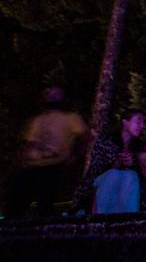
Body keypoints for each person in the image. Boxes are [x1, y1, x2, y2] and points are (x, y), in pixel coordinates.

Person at [3, 86, 87, 218]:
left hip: (54, 165)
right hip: (31, 165)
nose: (52, 96)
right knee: (18, 200)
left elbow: (84, 137)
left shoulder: (71, 118)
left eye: (56, 94)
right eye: (49, 93)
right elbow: (29, 142)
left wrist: (75, 156)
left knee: (45, 200)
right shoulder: (38, 120)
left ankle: (41, 230)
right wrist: (22, 159)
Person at [77, 108, 146, 214]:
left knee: (131, 175)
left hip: (127, 186)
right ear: (125, 122)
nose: (142, 126)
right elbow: (95, 170)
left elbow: (143, 175)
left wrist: (133, 163)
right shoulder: (106, 142)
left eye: (143, 123)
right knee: (113, 174)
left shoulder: (140, 146)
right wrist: (117, 162)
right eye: (138, 121)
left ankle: (130, 220)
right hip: (101, 183)